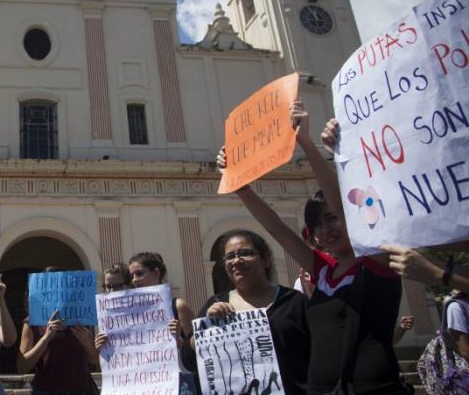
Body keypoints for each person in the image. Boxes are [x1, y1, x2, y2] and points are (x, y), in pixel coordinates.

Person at [217, 101, 406, 394]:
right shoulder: (323, 271)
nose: (326, 229)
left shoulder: (377, 260)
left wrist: (305, 141)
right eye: (316, 224)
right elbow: (277, 229)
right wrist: (240, 186)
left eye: (332, 219)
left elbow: (348, 210)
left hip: (373, 388)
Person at [197, 229, 309, 395]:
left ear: (266, 260)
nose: (236, 260)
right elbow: (190, 357)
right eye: (230, 256)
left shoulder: (294, 302)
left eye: (245, 253)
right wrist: (205, 329)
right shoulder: (214, 304)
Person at [16, 266, 100, 395]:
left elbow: (94, 360)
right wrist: (46, 337)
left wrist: (86, 342)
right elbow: (22, 367)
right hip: (46, 390)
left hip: (79, 389)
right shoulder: (31, 322)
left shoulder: (79, 318)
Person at [127, 252, 198, 393]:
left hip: (178, 383)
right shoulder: (130, 313)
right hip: (144, 384)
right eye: (132, 276)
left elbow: (196, 352)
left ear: (156, 273)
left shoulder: (178, 306)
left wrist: (177, 339)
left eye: (139, 274)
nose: (134, 280)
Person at [94, 263, 132, 352]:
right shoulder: (102, 313)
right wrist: (99, 347)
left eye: (117, 286)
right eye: (108, 286)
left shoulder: (146, 308)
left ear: (129, 284)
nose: (112, 291)